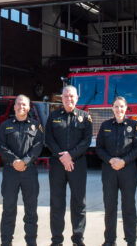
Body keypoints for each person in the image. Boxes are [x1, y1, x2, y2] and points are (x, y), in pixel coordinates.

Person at [45, 85, 93, 246]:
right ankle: (56, 240)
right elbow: (49, 139)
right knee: (57, 203)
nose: (69, 99)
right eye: (65, 96)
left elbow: (86, 141)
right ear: (62, 98)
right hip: (58, 165)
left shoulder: (85, 117)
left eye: (71, 96)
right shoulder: (53, 116)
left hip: (77, 164)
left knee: (79, 203)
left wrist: (70, 155)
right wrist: (63, 157)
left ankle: (78, 239)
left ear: (77, 98)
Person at [96, 96, 137, 246]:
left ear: (126, 108)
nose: (119, 109)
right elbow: (99, 148)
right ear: (112, 108)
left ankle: (131, 240)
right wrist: (111, 160)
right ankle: (109, 240)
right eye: (116, 106)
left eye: (121, 106)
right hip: (109, 171)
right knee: (110, 207)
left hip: (128, 171)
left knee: (128, 207)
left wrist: (123, 161)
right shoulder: (105, 126)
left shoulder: (134, 126)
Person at [0, 95, 44, 246]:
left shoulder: (36, 126)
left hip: (29, 172)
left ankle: (31, 242)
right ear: (14, 106)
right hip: (10, 172)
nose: (21, 107)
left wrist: (24, 162)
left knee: (31, 211)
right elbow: (1, 146)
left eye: (24, 104)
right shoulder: (5, 126)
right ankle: (6, 242)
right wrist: (14, 161)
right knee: (8, 209)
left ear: (29, 107)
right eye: (18, 104)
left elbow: (38, 146)